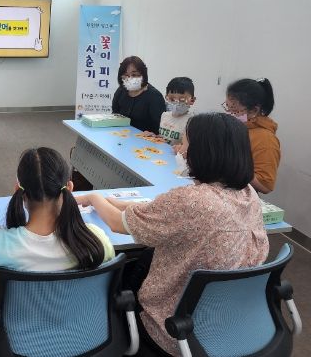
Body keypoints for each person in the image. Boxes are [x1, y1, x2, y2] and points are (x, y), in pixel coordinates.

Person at [77, 113, 269, 356]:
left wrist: (95, 197)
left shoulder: (192, 201)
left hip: (173, 328)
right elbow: (161, 211)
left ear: (203, 151)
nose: (179, 149)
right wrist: (114, 202)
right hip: (226, 319)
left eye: (185, 143)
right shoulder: (248, 194)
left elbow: (118, 224)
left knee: (121, 269)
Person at [0, 147, 115, 357]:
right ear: (70, 188)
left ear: (18, 190)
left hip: (17, 347)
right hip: (81, 340)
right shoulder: (96, 239)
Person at [224, 78, 280, 194]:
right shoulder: (236, 126)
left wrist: (231, 166)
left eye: (234, 110)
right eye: (227, 107)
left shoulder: (266, 139)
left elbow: (265, 186)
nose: (229, 114)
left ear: (254, 110)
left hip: (240, 197)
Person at [111, 56, 165, 133]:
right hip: (121, 134)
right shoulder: (121, 90)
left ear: (143, 74)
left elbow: (159, 126)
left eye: (134, 75)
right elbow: (115, 114)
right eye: (126, 75)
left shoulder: (154, 95)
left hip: (144, 138)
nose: (130, 78)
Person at [154, 77, 196, 148]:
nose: (177, 103)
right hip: (160, 152)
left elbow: (189, 146)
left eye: (182, 99)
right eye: (172, 99)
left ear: (192, 100)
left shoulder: (192, 121)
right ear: (166, 97)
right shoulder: (164, 115)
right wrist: (154, 136)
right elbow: (164, 137)